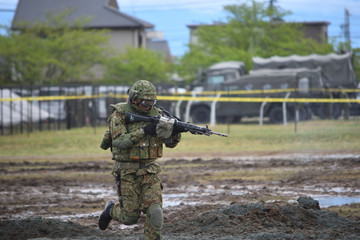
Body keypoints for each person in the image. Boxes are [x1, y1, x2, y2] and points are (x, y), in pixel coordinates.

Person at [98, 80, 181, 240]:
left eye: (152, 102)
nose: (148, 106)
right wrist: (144, 131)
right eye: (145, 102)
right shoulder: (120, 114)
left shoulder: (158, 114)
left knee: (155, 212)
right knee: (130, 217)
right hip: (127, 172)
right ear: (134, 99)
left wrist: (174, 132)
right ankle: (110, 210)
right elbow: (119, 142)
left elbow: (170, 144)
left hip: (149, 171)